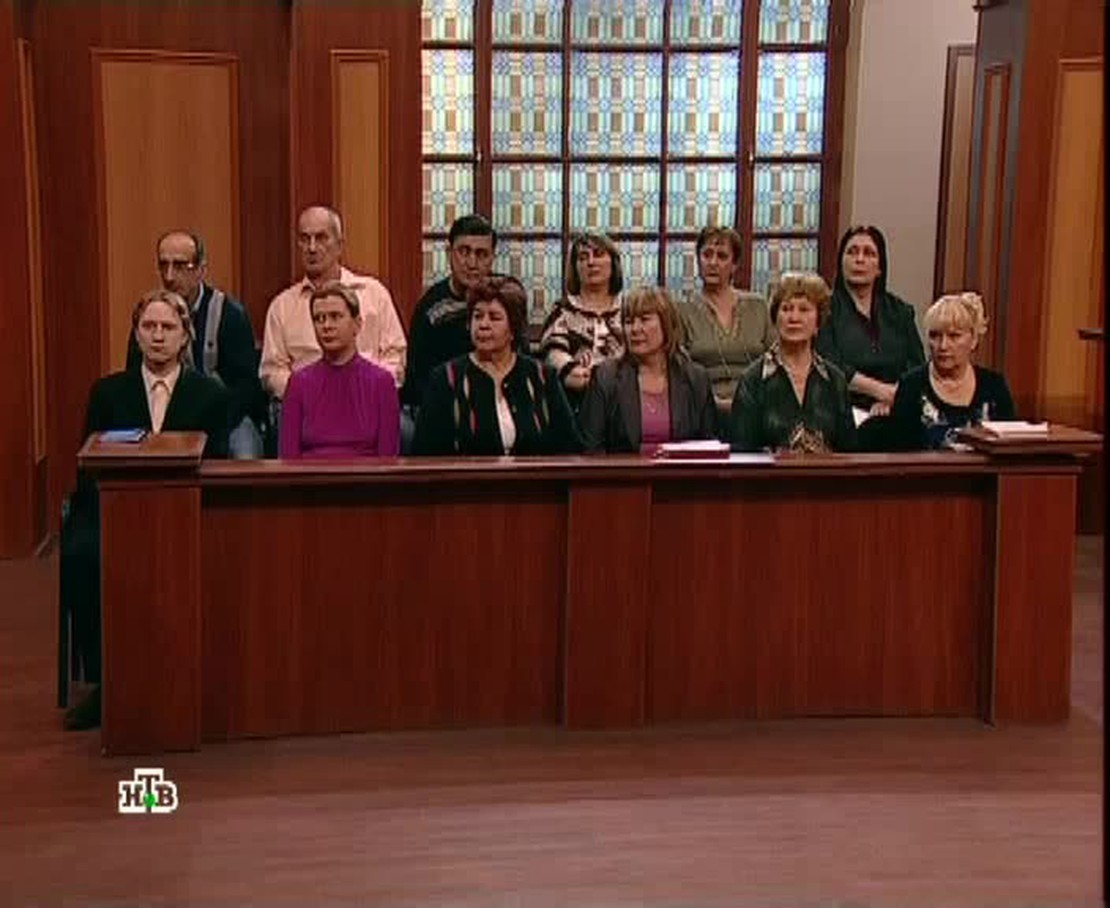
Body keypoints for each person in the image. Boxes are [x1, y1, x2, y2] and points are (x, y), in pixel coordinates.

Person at [62, 289, 228, 731]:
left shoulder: (210, 395)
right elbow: (86, 470)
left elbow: (218, 465)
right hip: (111, 511)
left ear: (185, 336)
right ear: (136, 335)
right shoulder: (107, 393)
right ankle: (107, 683)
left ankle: (193, 675)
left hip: (187, 513)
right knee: (83, 554)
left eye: (167, 327)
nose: (157, 336)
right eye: (148, 327)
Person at [127, 230, 263, 458]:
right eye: (164, 265)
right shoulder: (149, 317)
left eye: (180, 266)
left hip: (227, 415)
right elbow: (134, 379)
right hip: (163, 414)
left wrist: (210, 419)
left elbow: (246, 388)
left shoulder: (230, 314)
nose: (169, 276)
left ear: (201, 270)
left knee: (245, 453)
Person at [413, 276, 581, 456]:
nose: (483, 325)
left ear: (513, 328)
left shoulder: (542, 377)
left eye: (494, 317)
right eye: (477, 316)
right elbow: (424, 454)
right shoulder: (446, 379)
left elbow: (570, 448)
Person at [259, 206, 407, 403]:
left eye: (321, 238)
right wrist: (311, 394)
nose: (312, 248)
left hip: (367, 400)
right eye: (305, 239)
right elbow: (272, 372)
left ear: (339, 245)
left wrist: (367, 389)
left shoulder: (374, 294)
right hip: (308, 405)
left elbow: (395, 358)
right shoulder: (282, 307)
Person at [579, 285, 716, 453]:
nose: (635, 329)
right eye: (629, 322)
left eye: (644, 320)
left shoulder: (696, 379)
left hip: (680, 470)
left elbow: (710, 448)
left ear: (666, 324)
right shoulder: (606, 377)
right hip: (622, 470)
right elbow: (592, 449)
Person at [731, 272, 856, 454]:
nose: (794, 318)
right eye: (786, 309)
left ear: (818, 323)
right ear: (775, 318)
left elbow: (849, 452)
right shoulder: (753, 380)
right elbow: (742, 453)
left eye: (804, 310)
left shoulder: (835, 380)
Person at [280, 283, 400, 458]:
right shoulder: (298, 383)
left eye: (335, 316)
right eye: (319, 319)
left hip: (366, 475)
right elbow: (288, 458)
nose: (326, 326)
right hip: (311, 475)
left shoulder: (382, 383)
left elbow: (388, 459)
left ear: (357, 324)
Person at [816, 225, 925, 415]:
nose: (859, 259)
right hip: (842, 408)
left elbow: (916, 364)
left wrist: (893, 399)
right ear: (841, 262)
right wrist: (881, 392)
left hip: (895, 408)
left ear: (880, 268)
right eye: (852, 252)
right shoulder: (825, 310)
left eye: (869, 253)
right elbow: (828, 364)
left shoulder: (900, 311)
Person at [889, 292, 1015, 450]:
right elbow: (899, 454)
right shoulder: (911, 386)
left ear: (974, 339)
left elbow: (1010, 449)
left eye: (954, 336)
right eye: (935, 336)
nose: (943, 346)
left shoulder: (994, 386)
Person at [402, 214, 498, 411]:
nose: (472, 263)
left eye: (481, 254)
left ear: (492, 258)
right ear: (449, 253)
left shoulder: (504, 302)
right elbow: (417, 383)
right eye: (464, 252)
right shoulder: (431, 310)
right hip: (443, 409)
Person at [678, 226, 774, 417]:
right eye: (707, 255)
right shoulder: (682, 310)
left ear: (734, 265)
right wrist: (714, 402)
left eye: (722, 256)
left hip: (757, 405)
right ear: (698, 260)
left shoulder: (758, 306)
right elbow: (680, 371)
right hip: (703, 406)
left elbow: (776, 360)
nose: (713, 263)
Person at [539, 232, 625, 411]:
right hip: (575, 403)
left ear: (613, 263)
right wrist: (569, 369)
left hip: (623, 401)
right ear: (575, 267)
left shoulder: (629, 311)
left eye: (598, 254)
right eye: (583, 257)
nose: (591, 262)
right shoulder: (563, 310)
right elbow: (552, 350)